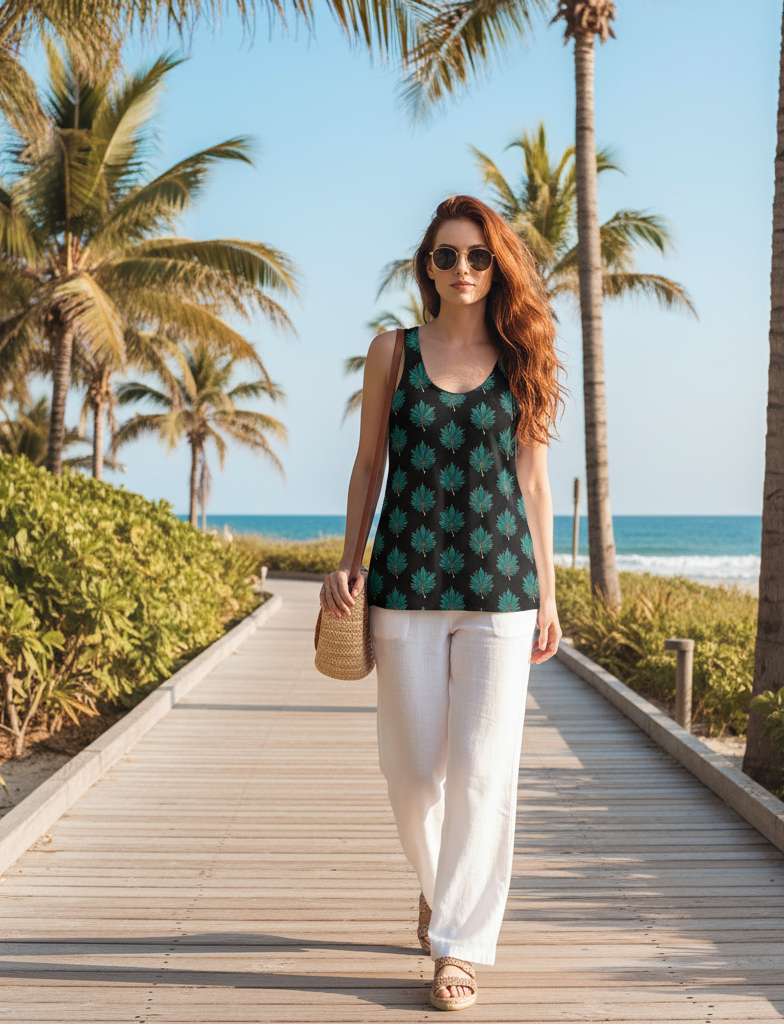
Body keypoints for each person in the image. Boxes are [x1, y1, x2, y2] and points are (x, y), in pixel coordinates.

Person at [319, 194, 564, 1011]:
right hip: (404, 586)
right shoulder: (391, 351)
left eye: (478, 256)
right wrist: (348, 562)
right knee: (413, 770)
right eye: (447, 256)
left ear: (498, 267)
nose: (463, 269)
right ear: (425, 266)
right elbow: (367, 468)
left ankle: (457, 948)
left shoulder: (523, 352)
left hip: (500, 589)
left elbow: (533, 482)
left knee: (485, 774)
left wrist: (549, 595)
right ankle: (440, 887)